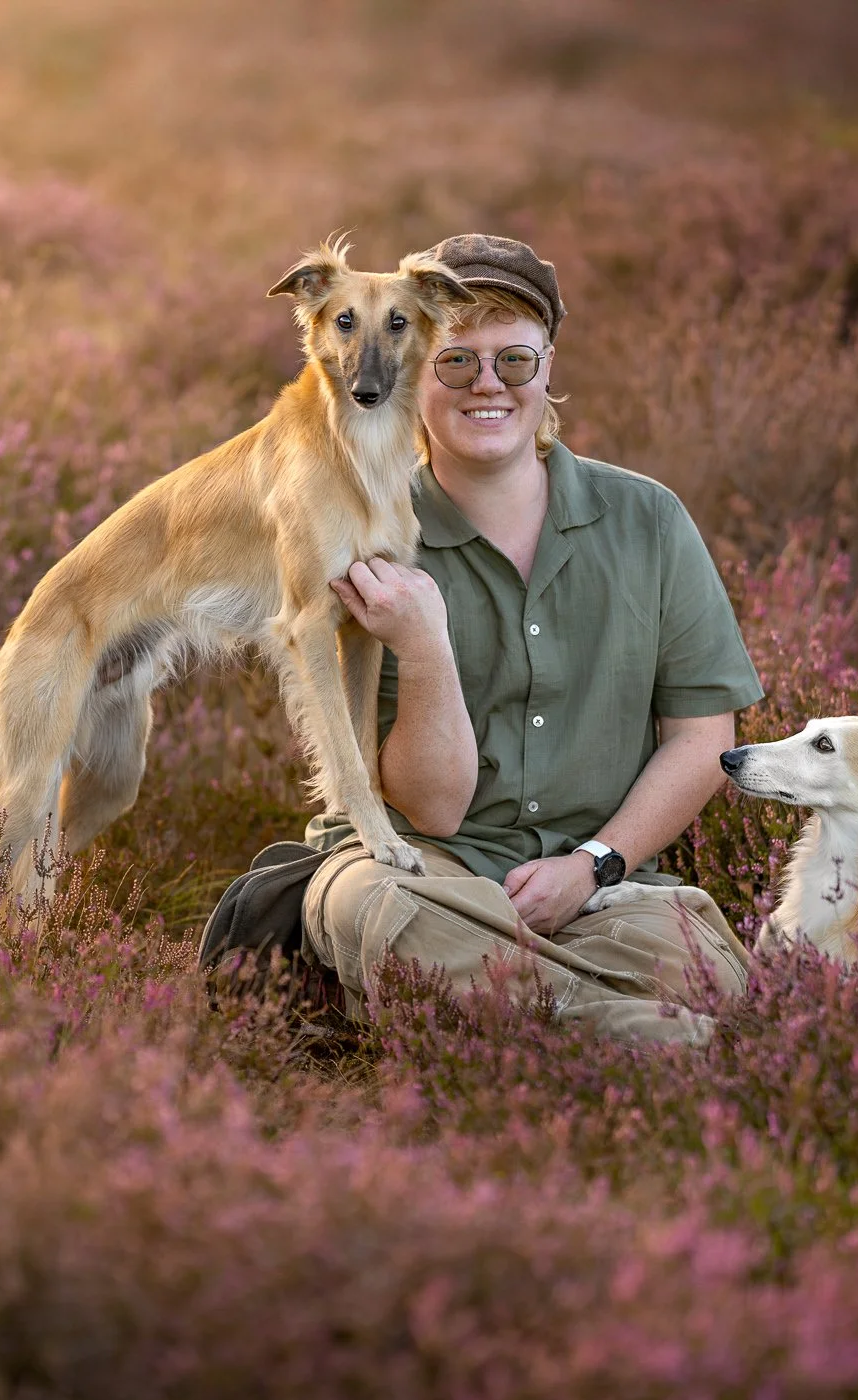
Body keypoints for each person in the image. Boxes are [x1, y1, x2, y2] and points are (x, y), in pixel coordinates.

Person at [302, 233, 765, 1045]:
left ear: (548, 368)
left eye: (513, 361)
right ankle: (629, 1035)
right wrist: (424, 645)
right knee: (372, 907)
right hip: (421, 870)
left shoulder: (649, 520)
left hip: (602, 884)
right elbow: (433, 808)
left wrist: (592, 865)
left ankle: (495, 1013)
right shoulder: (361, 537)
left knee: (699, 965)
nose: (488, 385)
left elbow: (702, 738)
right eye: (455, 362)